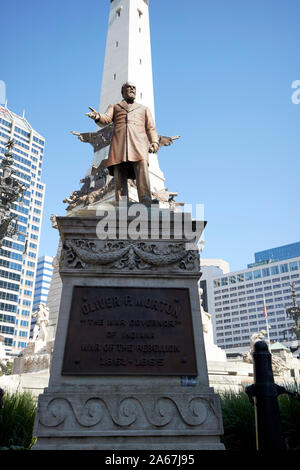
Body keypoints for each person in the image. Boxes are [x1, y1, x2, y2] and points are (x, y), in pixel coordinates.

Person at [86, 82, 159, 205]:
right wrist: (97, 116)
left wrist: (154, 142)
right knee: (119, 172)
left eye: (134, 88)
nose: (132, 89)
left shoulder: (144, 109)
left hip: (139, 144)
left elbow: (151, 128)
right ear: (122, 92)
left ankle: (146, 200)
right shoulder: (115, 107)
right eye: (128, 87)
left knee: (142, 171)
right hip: (119, 144)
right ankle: (121, 202)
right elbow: (106, 119)